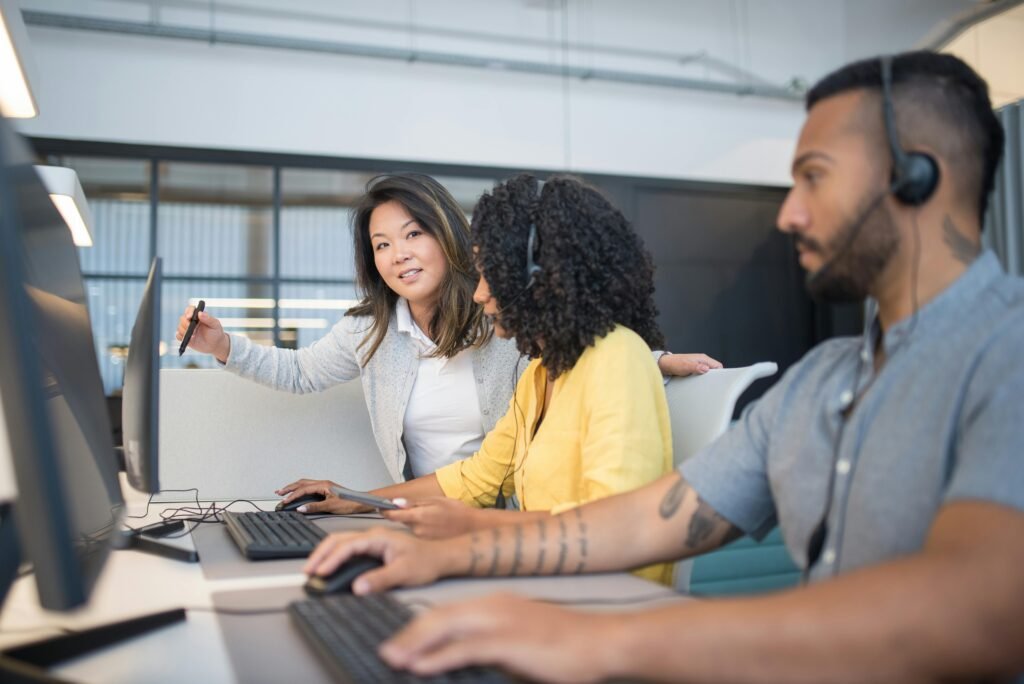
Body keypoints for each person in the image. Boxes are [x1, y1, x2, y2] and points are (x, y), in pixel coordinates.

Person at [302, 51, 1024, 683]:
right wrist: (457, 552)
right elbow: (646, 520)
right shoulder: (820, 383)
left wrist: (597, 638)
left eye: (814, 177)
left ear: (916, 176)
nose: (789, 214)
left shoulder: (1008, 354)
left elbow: (976, 613)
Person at [176, 174, 720, 507]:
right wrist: (224, 347)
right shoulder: (377, 330)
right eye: (381, 244)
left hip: (529, 545)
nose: (398, 255)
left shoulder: (529, 331)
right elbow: (475, 477)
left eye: (413, 234)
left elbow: (582, 345)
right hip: (460, 519)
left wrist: (651, 359)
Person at [292, 173, 682, 583]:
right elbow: (478, 476)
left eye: (489, 274)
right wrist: (359, 501)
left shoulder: (617, 358)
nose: (478, 294)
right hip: (550, 577)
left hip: (612, 595)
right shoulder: (540, 373)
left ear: (539, 276)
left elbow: (613, 526)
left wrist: (473, 527)